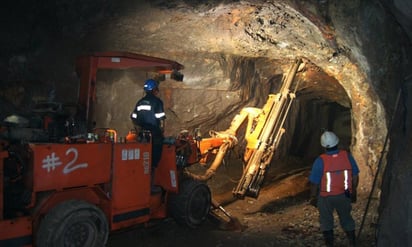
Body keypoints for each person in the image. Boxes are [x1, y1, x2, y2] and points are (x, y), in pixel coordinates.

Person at [309, 131, 360, 247]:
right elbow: (355, 175)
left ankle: (330, 244)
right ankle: (352, 241)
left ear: (323, 146)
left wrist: (313, 196)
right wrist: (353, 191)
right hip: (345, 194)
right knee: (346, 218)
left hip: (326, 196)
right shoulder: (347, 156)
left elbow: (314, 182)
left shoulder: (320, 160)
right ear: (337, 142)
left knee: (326, 221)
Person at [130, 79, 165, 193]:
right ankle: (150, 186)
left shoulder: (140, 102)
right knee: (153, 160)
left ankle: (139, 183)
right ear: (154, 89)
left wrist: (138, 129)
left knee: (142, 159)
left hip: (142, 134)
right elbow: (161, 120)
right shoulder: (157, 102)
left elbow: (133, 117)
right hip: (154, 134)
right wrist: (162, 132)